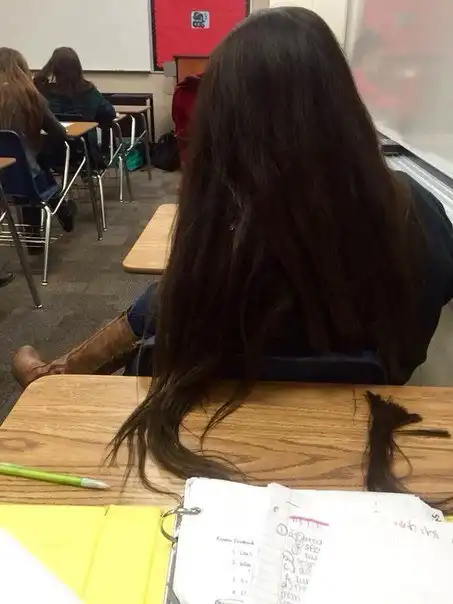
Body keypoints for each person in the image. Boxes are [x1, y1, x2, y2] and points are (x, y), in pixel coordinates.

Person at [12, 8, 453, 484]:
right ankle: (57, 373)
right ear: (343, 101)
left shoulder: (224, 223)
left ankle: (55, 375)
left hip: (201, 448)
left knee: (157, 306)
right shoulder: (421, 213)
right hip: (365, 437)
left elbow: (171, 312)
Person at [0, 48, 75, 249]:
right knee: (32, 165)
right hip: (25, 179)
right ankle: (58, 209)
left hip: (3, 178)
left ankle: (57, 210)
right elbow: (60, 133)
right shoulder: (31, 97)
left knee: (29, 161)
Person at [34, 47, 116, 169]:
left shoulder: (41, 90)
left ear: (52, 67)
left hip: (46, 154)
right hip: (85, 154)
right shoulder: (88, 91)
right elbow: (109, 113)